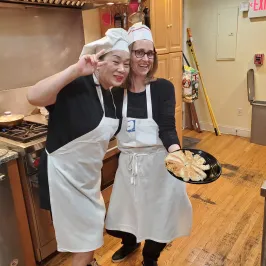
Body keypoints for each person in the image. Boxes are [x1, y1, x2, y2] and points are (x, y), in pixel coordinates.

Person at [27, 28, 130, 266]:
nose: (122, 69)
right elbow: (33, 96)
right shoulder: (76, 84)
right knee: (84, 245)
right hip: (64, 179)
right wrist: (75, 69)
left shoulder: (113, 95)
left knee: (90, 237)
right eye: (116, 61)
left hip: (87, 180)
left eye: (126, 63)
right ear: (99, 61)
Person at [105, 23, 193, 266]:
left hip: (158, 163)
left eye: (150, 53)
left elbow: (166, 127)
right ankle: (130, 243)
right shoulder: (114, 93)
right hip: (129, 165)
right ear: (128, 54)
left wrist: (177, 154)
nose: (145, 59)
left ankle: (150, 257)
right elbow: (109, 129)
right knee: (125, 214)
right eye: (139, 52)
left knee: (160, 216)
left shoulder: (163, 88)